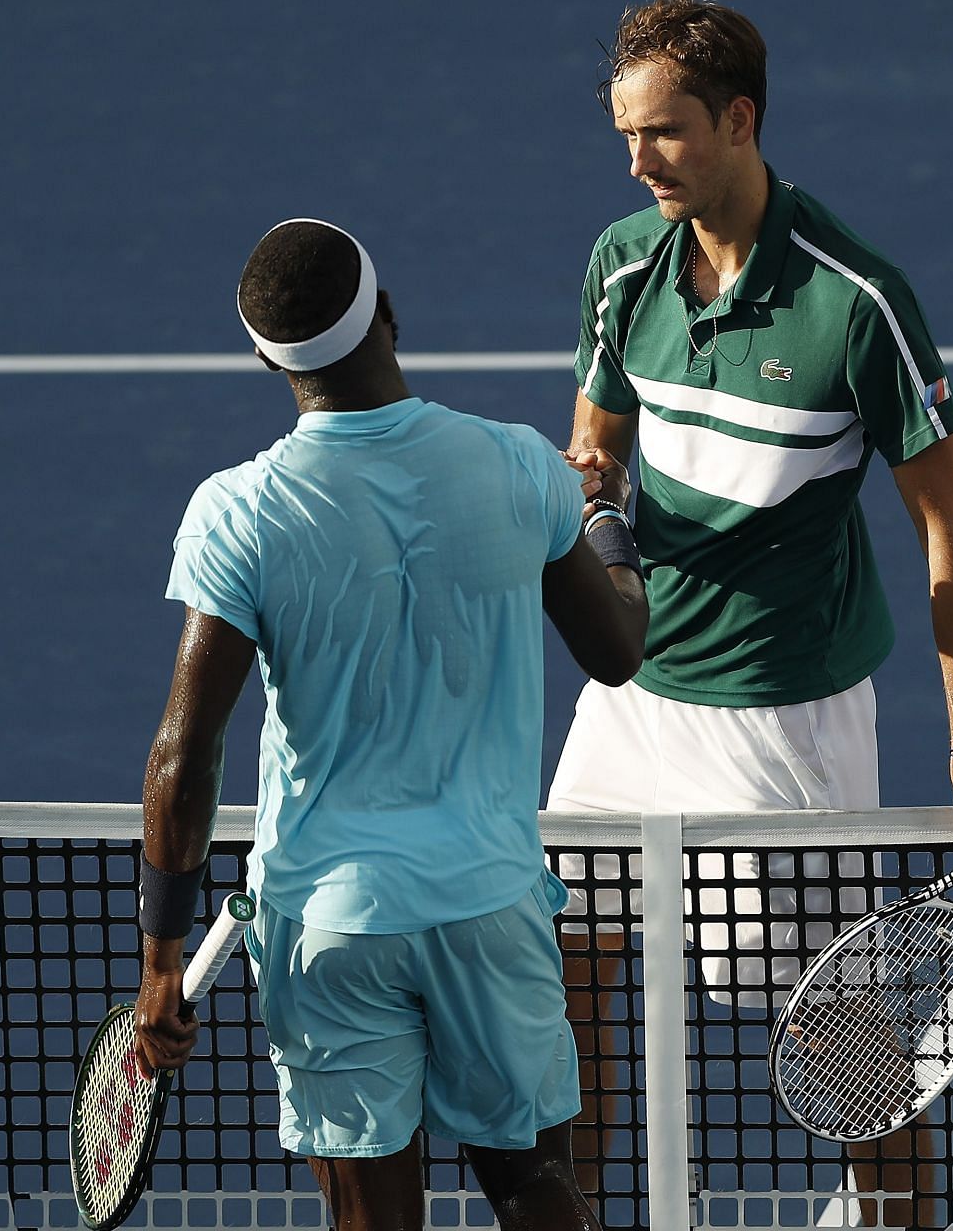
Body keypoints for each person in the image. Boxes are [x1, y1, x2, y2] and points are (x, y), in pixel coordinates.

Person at [547, 0, 953, 1227]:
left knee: (838, 1043)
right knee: (556, 969)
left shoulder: (855, 299)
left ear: (740, 119)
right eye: (624, 134)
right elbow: (594, 441)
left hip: (785, 721)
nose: (637, 160)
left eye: (663, 133)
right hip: (634, 697)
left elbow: (952, 529)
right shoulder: (622, 263)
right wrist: (594, 501)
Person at [129, 218, 649, 1231]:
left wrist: (160, 961)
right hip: (490, 908)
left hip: (332, 926)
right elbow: (619, 648)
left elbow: (182, 755)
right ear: (389, 316)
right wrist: (605, 514)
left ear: (268, 359)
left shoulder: (239, 511)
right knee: (540, 1191)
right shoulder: (518, 466)